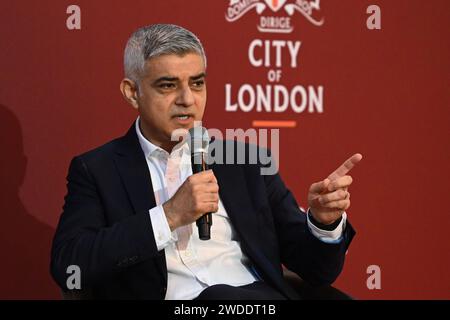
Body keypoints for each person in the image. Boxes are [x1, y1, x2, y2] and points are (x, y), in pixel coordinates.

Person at [50, 24, 362, 300]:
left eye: (197, 83)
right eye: (168, 85)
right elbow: (70, 265)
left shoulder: (247, 162)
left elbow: (317, 271)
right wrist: (169, 216)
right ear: (132, 93)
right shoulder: (98, 170)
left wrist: (323, 222)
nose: (188, 99)